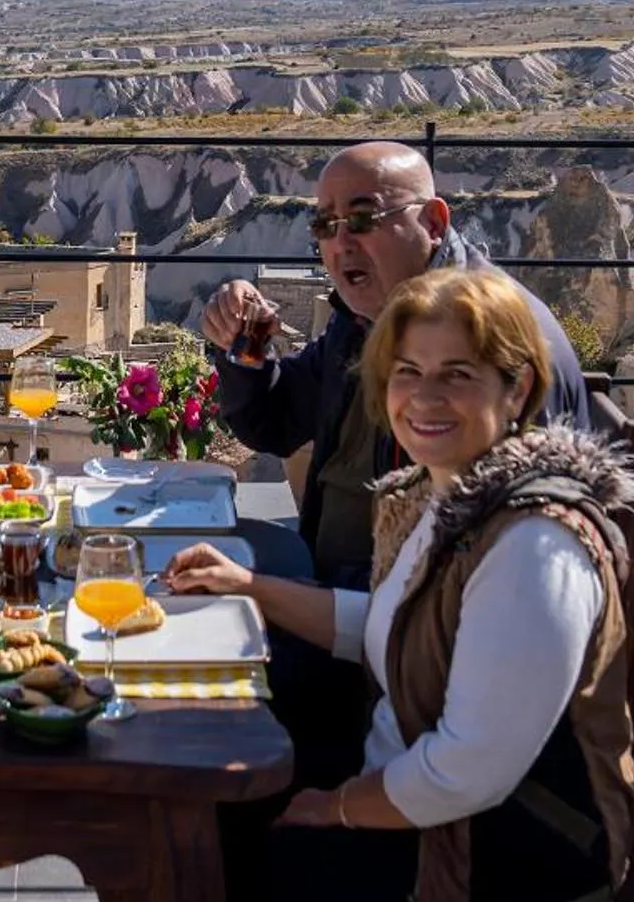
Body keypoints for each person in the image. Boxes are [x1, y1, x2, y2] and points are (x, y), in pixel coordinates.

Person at [169, 268, 634, 902]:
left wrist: (334, 809)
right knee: (217, 800)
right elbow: (388, 625)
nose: (423, 396)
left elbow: (465, 771)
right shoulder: (457, 492)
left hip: (503, 877)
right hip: (447, 818)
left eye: (458, 374)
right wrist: (250, 586)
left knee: (222, 870)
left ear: (518, 390)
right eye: (407, 371)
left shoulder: (534, 547)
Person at [203, 141, 591, 587]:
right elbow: (275, 422)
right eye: (325, 224)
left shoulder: (491, 340)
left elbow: (502, 579)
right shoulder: (370, 315)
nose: (341, 242)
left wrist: (279, 600)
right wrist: (245, 346)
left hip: (393, 613)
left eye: (364, 219)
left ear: (433, 222)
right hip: (340, 584)